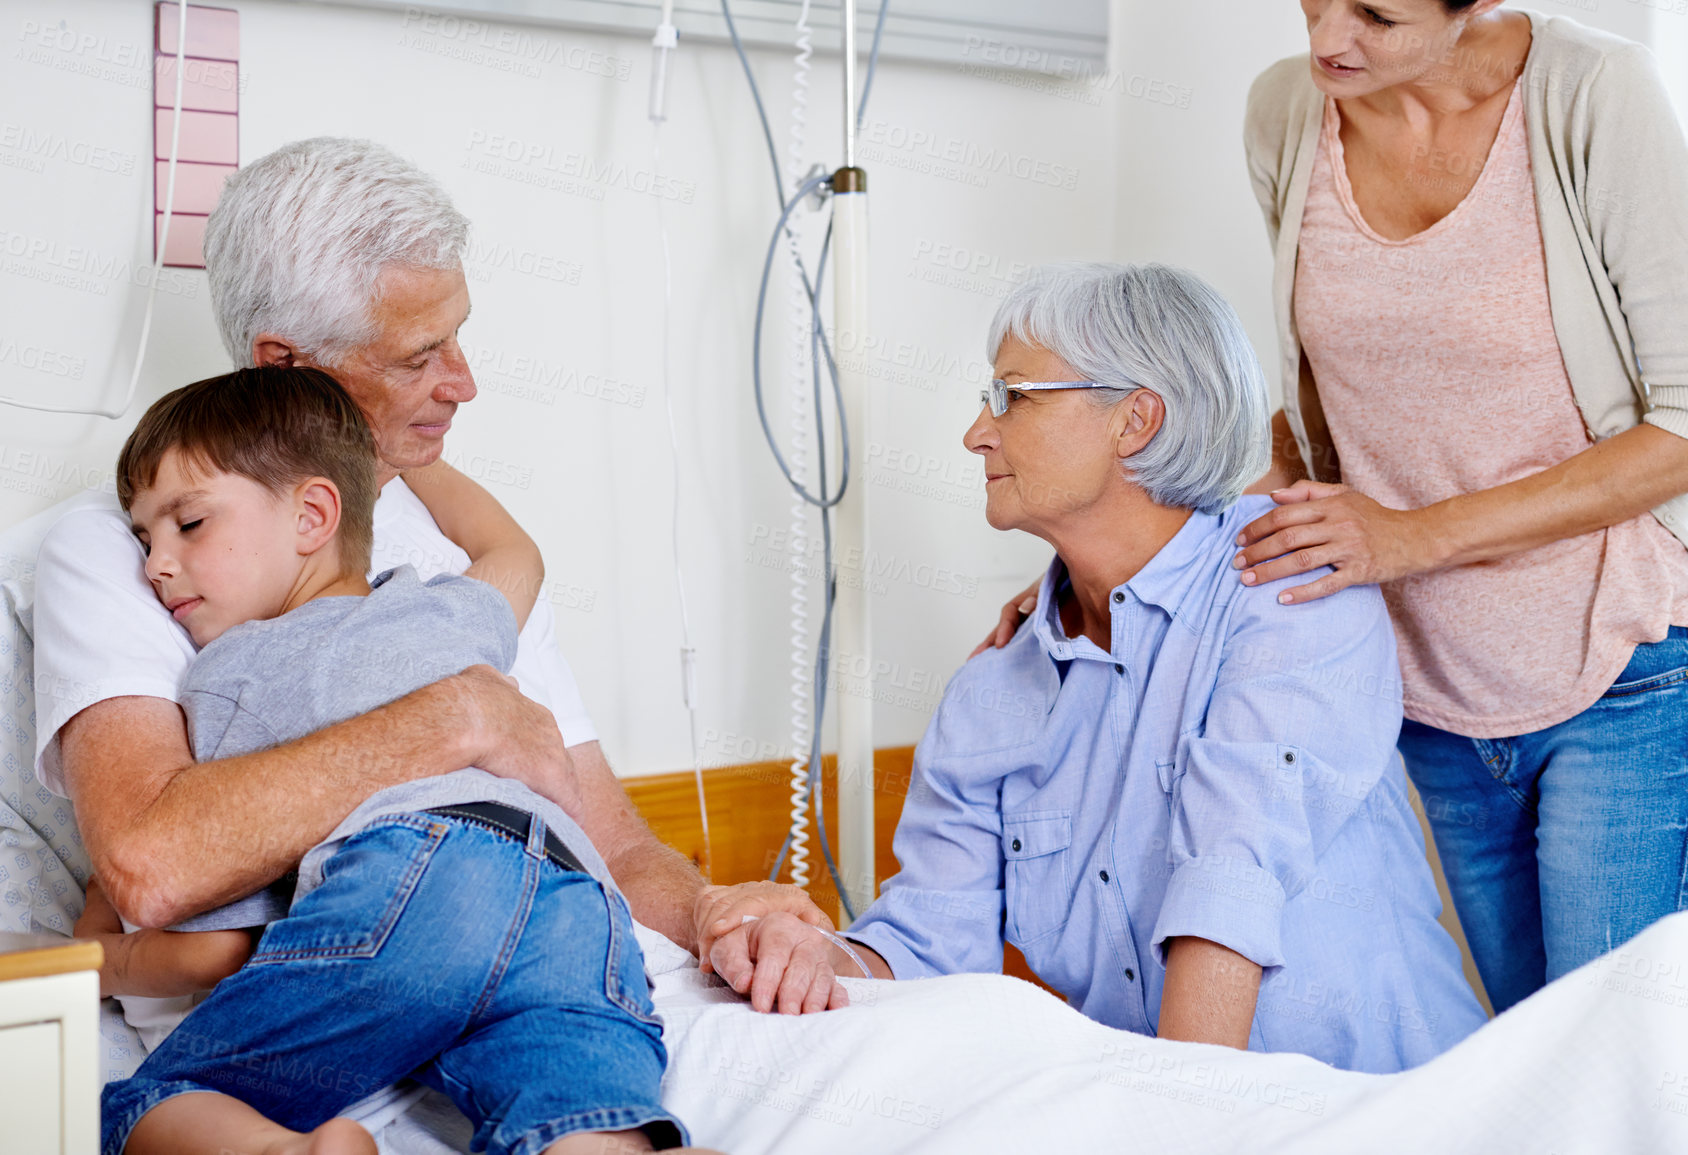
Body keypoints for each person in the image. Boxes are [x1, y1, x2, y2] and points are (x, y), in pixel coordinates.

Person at [31, 136, 825, 1071]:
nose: (465, 381)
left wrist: (712, 911)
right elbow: (153, 865)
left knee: (989, 1031)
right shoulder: (135, 548)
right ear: (287, 365)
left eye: (457, 334)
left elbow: (605, 833)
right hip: (333, 1013)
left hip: (543, 971)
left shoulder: (448, 559)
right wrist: (460, 716)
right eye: (419, 356)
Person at [700, 262, 1488, 1073]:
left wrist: (1177, 1120)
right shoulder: (992, 689)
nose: (977, 431)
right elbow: (927, 946)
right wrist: (809, 958)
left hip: (1382, 1114)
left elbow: (1228, 883)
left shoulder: (1289, 586)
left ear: (1136, 420)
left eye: (1012, 395)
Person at [1226, 0, 1688, 1013]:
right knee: (1523, 1058)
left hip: (1623, 661)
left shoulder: (1594, 96)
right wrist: (1114, 578)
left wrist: (1410, 537)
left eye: (1377, 14)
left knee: (1612, 1059)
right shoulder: (1288, 111)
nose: (1331, 38)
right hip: (1430, 690)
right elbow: (1325, 414)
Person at [94, 367, 713, 1155]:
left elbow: (218, 949)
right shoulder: (449, 607)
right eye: (144, 538)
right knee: (576, 1116)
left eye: (187, 524)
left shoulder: (233, 672)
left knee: (152, 1104)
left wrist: (106, 957)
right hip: (580, 903)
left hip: (422, 878)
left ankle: (291, 1149)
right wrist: (412, 456)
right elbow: (515, 551)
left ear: (314, 513)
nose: (155, 564)